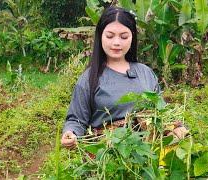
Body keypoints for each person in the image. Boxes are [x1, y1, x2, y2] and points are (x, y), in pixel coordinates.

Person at [61, 6, 186, 149]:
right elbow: (76, 120)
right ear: (100, 36)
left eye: (124, 36)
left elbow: (162, 113)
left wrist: (177, 127)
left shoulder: (146, 73)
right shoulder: (89, 78)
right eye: (109, 36)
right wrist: (70, 133)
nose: (116, 42)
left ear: (132, 37)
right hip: (107, 159)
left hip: (147, 155)